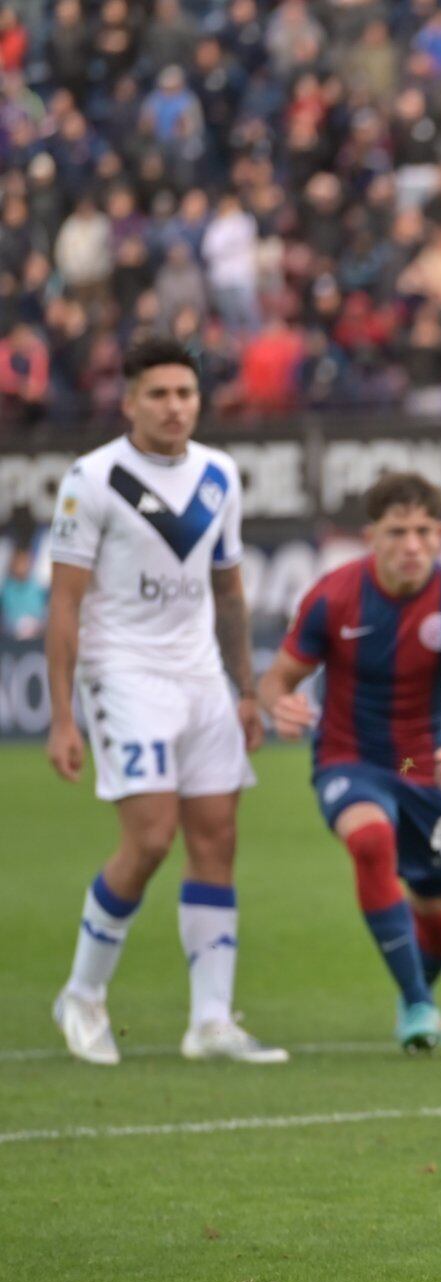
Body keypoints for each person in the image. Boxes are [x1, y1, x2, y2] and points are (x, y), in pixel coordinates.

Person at [44, 335, 285, 1066]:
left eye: (185, 393)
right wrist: (63, 715)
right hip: (124, 674)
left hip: (201, 677)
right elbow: (63, 605)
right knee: (149, 838)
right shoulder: (93, 479)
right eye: (159, 394)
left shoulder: (219, 474)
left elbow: (229, 589)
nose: (175, 406)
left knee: (216, 839)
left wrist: (246, 689)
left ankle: (210, 1020)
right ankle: (81, 995)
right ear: (129, 402)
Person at [257, 472, 441, 1052]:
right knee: (370, 841)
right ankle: (420, 1005)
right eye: (397, 532)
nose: (411, 545)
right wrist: (280, 705)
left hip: (422, 767)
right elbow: (276, 679)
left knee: (439, 912)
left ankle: (415, 992)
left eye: (423, 531)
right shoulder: (332, 596)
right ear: (371, 536)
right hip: (350, 756)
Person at [2, 542, 48, 639]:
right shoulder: (6, 589)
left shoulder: (38, 586)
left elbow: (43, 611)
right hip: (11, 636)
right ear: (13, 564)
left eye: (24, 562)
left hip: (36, 634)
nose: (21, 566)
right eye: (18, 562)